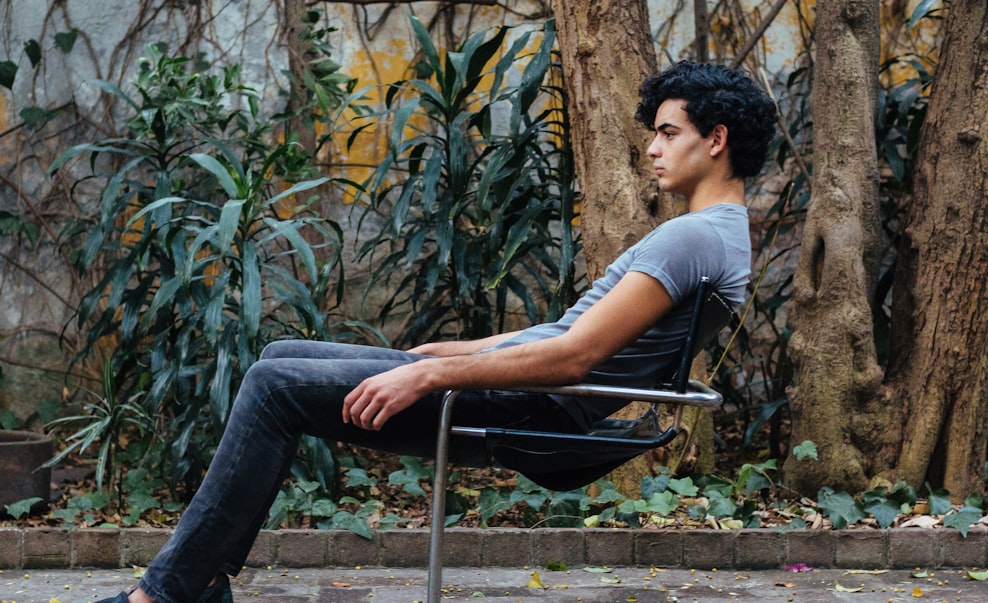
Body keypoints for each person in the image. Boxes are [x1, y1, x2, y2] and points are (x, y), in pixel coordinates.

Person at [97, 60, 777, 603]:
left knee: (275, 383)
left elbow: (579, 353)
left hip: (526, 406)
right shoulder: (717, 237)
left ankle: (165, 594)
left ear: (716, 139)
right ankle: (203, 582)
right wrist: (461, 348)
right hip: (518, 388)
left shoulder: (692, 236)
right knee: (282, 354)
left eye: (669, 133)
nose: (654, 148)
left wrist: (432, 373)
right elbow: (570, 331)